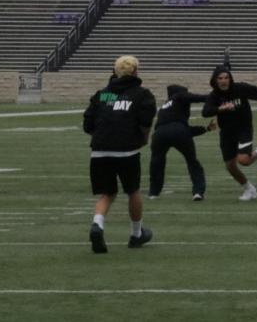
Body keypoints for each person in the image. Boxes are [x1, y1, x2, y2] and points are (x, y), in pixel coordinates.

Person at [84, 55, 158, 253]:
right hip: (127, 151)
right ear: (135, 71)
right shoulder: (141, 94)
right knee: (132, 190)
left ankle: (97, 224)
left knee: (107, 193)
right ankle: (136, 234)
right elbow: (145, 120)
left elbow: (87, 123)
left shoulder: (102, 94)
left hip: (99, 151)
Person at [202, 64, 257, 201]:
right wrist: (221, 108)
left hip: (243, 128)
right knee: (230, 166)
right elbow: (205, 112)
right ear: (215, 80)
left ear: (230, 78)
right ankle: (249, 189)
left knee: (244, 160)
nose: (223, 80)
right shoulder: (214, 96)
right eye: (220, 78)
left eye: (226, 77)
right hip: (227, 132)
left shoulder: (240, 88)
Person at [148, 84, 211, 201]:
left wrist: (205, 129)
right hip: (179, 131)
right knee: (192, 161)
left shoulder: (165, 106)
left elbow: (178, 128)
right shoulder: (179, 96)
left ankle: (153, 193)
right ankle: (198, 191)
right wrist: (212, 97)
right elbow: (181, 130)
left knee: (156, 163)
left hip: (159, 134)